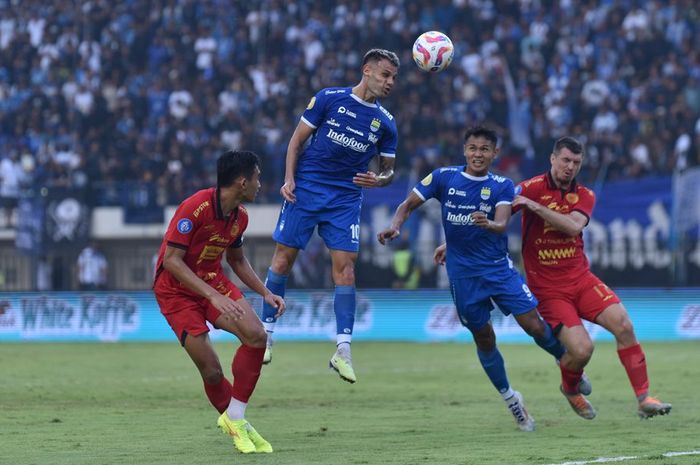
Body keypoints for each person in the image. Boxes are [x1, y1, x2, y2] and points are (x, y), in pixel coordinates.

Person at [378, 126, 571, 432]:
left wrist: (489, 224)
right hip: (462, 276)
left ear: (495, 153)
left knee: (533, 323)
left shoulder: (502, 185)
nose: (478, 154)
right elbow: (407, 205)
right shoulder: (444, 177)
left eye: (484, 149)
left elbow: (503, 223)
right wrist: (396, 225)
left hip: (498, 270)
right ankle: (512, 401)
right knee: (485, 338)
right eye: (472, 148)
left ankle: (567, 364)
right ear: (464, 150)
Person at [259, 49, 400, 384]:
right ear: (366, 70)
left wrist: (378, 180)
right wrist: (289, 178)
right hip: (307, 188)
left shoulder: (387, 123)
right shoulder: (329, 99)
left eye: (394, 77)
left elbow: (389, 173)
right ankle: (265, 334)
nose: (390, 82)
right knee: (283, 259)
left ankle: (343, 350)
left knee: (346, 268)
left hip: (345, 197)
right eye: (385, 75)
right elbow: (295, 142)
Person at [510, 136, 672, 419]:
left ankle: (644, 399)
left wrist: (533, 207)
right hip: (548, 289)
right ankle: (570, 388)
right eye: (565, 160)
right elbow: (497, 215)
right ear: (552, 159)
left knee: (624, 325)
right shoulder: (529, 188)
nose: (570, 167)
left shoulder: (585, 194)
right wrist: (456, 243)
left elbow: (573, 227)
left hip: (581, 279)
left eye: (576, 162)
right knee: (583, 350)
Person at [153, 150, 286, 454]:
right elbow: (172, 261)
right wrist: (211, 296)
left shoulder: (240, 217)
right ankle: (238, 423)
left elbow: (237, 261)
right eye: (257, 178)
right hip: (176, 291)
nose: (260, 185)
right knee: (212, 371)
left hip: (212, 280)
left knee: (256, 336)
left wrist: (265, 292)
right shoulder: (194, 207)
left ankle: (235, 417)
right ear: (242, 181)